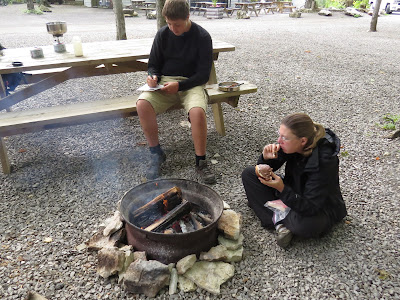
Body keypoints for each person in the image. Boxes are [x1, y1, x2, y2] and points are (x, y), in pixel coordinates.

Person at [136, 0, 216, 184]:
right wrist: (152, 76)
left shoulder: (202, 36)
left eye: (177, 24)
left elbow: (203, 75)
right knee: (142, 104)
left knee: (197, 112)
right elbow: (153, 65)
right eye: (169, 24)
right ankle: (156, 154)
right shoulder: (163, 34)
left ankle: (201, 162)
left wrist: (179, 86)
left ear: (188, 17)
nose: (173, 29)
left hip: (191, 83)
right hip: (164, 83)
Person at [241, 113, 347, 249]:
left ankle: (272, 213)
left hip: (319, 207)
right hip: (294, 192)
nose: (279, 141)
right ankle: (281, 223)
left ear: (302, 141)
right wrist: (266, 159)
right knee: (249, 174)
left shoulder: (324, 161)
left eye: (284, 138)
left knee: (306, 225)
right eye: (279, 135)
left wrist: (282, 189)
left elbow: (311, 206)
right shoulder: (293, 143)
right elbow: (268, 168)